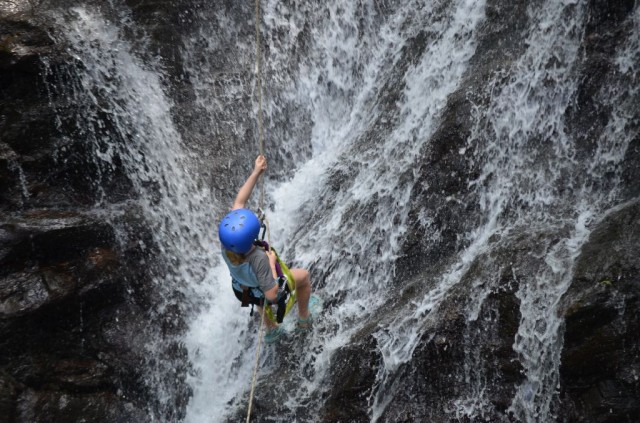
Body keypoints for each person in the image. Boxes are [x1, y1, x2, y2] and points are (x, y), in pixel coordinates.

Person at [218, 155, 313, 343]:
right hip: (262, 287)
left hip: (242, 288)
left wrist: (256, 173)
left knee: (256, 298)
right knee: (303, 277)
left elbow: (239, 202)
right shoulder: (259, 258)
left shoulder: (227, 242)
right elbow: (271, 294)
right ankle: (304, 318)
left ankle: (271, 329)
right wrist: (270, 263)